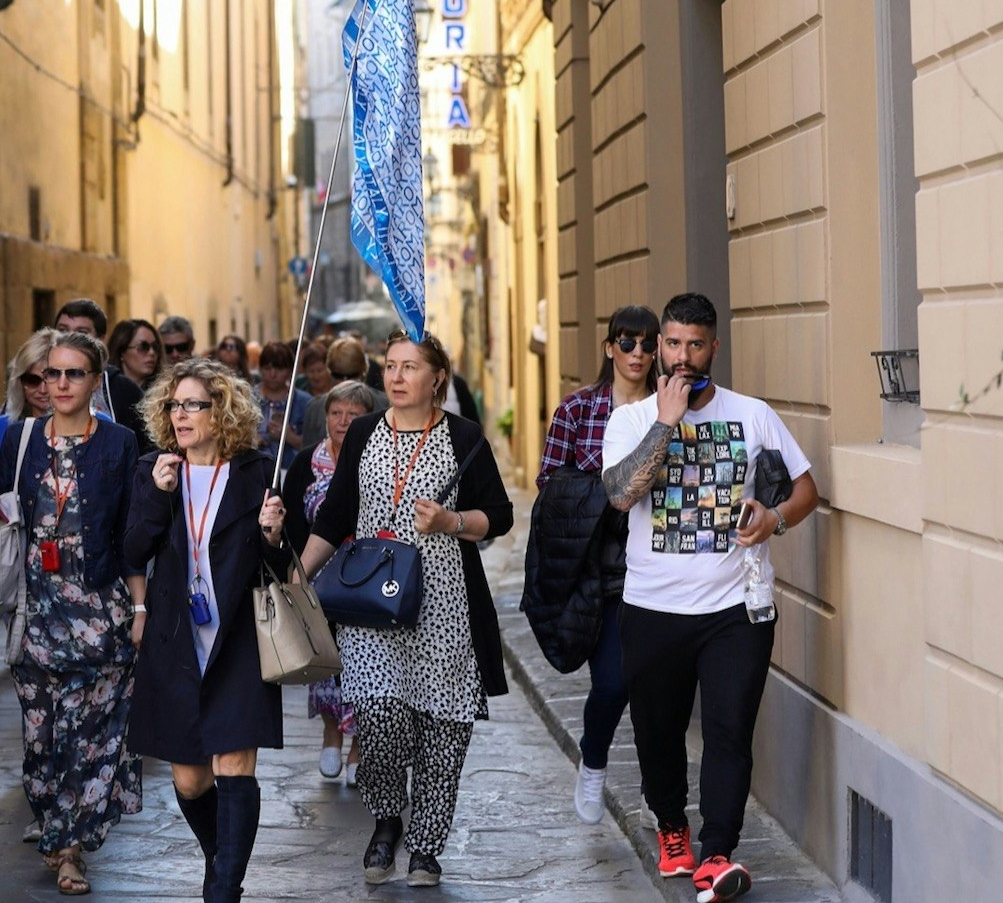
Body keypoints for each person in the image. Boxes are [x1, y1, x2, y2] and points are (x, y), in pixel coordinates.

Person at [599, 293, 818, 902]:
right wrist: (667, 422)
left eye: (695, 344)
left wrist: (773, 518)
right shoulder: (631, 421)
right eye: (672, 343)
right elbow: (621, 496)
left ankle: (717, 852)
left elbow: (805, 490)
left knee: (728, 731)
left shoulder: (753, 415)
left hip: (735, 611)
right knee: (658, 731)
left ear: (713, 347)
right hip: (653, 608)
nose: (682, 356)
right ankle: (673, 827)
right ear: (659, 347)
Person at [299, 333, 514, 889]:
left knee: (444, 729)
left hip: (444, 606)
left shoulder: (463, 437)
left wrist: (452, 522)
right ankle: (388, 819)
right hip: (370, 606)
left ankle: (426, 848)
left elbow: (500, 514)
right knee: (380, 715)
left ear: (437, 377)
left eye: (409, 367)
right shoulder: (366, 432)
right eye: (390, 366)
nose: (395, 377)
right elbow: (336, 514)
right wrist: (300, 578)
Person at [124, 358, 290, 903]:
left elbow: (285, 566)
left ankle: (223, 890)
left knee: (234, 767)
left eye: (193, 404)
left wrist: (273, 536)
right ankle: (220, 856)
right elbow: (131, 550)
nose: (180, 415)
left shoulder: (257, 473)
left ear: (222, 413)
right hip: (177, 643)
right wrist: (155, 494)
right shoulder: (155, 469)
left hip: (238, 640)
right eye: (174, 405)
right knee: (191, 781)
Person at [0, 330, 145, 895]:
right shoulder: (20, 438)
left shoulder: (119, 443)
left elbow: (131, 534)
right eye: (51, 374)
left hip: (101, 610)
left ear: (95, 380)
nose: (59, 384)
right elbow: (7, 517)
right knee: (41, 739)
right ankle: (56, 826)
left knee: (93, 736)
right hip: (36, 612)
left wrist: (141, 607)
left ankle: (70, 848)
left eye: (73, 373)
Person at [533, 306, 660, 825]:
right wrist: (608, 495)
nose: (637, 354)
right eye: (626, 344)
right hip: (598, 568)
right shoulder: (578, 410)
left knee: (655, 689)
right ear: (609, 348)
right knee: (611, 683)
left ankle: (662, 798)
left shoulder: (667, 409)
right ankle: (595, 759)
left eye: (647, 345)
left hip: (658, 567)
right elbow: (548, 485)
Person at [280, 380, 375, 788]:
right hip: (316, 578)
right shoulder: (305, 462)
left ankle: (358, 745)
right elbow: (289, 521)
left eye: (353, 414)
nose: (343, 420)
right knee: (323, 660)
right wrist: (295, 568)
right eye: (337, 412)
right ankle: (330, 732)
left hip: (363, 580)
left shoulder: (373, 458)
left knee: (364, 663)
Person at [57, 298, 152, 451]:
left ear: (100, 340)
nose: (70, 338)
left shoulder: (125, 391)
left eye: (81, 333)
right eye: (62, 330)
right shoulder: (36, 382)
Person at [0, 328, 61, 473]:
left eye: (51, 377)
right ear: (19, 381)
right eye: (32, 380)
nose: (43, 389)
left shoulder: (98, 425)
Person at [300, 337, 381, 448]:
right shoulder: (385, 404)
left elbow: (308, 455)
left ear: (329, 370)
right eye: (336, 413)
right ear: (364, 369)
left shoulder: (314, 407)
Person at [252, 341, 311, 471]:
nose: (273, 374)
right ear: (260, 369)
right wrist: (250, 441)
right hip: (254, 471)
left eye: (279, 369)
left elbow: (316, 447)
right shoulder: (246, 401)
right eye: (267, 368)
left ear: (290, 370)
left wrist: (290, 437)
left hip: (292, 471)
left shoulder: (305, 402)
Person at [107, 317, 164, 389]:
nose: (152, 352)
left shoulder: (165, 392)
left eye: (155, 347)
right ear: (122, 352)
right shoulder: (105, 391)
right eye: (143, 347)